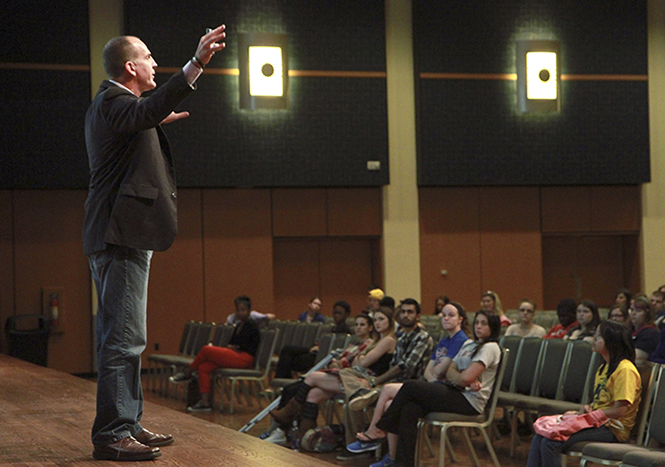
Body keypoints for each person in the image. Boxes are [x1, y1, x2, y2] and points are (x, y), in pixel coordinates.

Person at [84, 26, 227, 462]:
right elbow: (143, 110)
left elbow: (142, 115)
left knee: (129, 336)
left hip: (121, 234)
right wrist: (196, 63)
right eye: (147, 57)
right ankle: (112, 431)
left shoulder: (119, 108)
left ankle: (126, 422)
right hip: (120, 235)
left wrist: (151, 115)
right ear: (130, 67)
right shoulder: (112, 100)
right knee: (122, 338)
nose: (153, 63)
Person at [368, 310, 502, 467]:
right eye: (477, 322)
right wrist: (461, 378)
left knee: (411, 386)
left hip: (470, 402)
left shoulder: (491, 347)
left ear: (493, 326)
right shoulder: (469, 344)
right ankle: (403, 463)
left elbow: (464, 377)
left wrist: (461, 378)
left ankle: (381, 428)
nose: (478, 326)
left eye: (484, 323)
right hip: (455, 390)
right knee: (410, 409)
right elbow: (451, 371)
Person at [345, 301, 470, 454]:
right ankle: (391, 457)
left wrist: (435, 375)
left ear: (460, 319)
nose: (446, 318)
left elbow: (441, 369)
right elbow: (429, 371)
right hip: (431, 385)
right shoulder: (444, 340)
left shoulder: (460, 340)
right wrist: (434, 377)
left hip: (443, 390)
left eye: (451, 315)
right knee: (388, 404)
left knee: (387, 389)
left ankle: (374, 431)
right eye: (443, 315)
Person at [268, 308, 397, 446]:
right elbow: (356, 361)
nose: (377, 323)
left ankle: (287, 416)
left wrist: (360, 357)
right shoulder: (376, 341)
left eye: (381, 319)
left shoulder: (388, 340)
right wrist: (360, 358)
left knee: (311, 377)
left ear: (390, 321)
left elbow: (362, 362)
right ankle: (304, 435)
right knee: (313, 394)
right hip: (355, 378)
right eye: (376, 319)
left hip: (366, 383)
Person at [527, 320, 641, 467]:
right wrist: (585, 410)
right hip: (599, 423)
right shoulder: (605, 367)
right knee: (541, 435)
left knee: (551, 441)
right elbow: (603, 401)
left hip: (613, 429)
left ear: (611, 341)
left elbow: (619, 410)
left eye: (599, 336)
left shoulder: (625, 370)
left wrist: (591, 416)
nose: (593, 339)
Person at [169, 296, 260, 412]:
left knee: (207, 349)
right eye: (238, 310)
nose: (239, 313)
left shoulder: (251, 325)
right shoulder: (238, 325)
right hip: (235, 355)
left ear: (248, 311)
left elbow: (248, 346)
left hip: (245, 358)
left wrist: (235, 347)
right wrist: (232, 347)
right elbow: (232, 343)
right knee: (203, 367)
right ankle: (205, 402)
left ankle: (188, 372)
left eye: (242, 310)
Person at [273, 300, 352, 379]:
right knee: (287, 352)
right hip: (315, 351)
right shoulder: (332, 328)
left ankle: (281, 381)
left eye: (339, 313)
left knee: (287, 356)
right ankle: (283, 381)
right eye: (334, 313)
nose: (336, 315)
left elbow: (334, 348)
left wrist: (319, 348)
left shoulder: (345, 330)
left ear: (346, 315)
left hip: (320, 356)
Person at [628, 295, 660, 362]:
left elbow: (637, 358)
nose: (633, 313)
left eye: (638, 310)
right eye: (632, 310)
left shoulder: (650, 333)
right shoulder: (630, 331)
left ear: (647, 314)